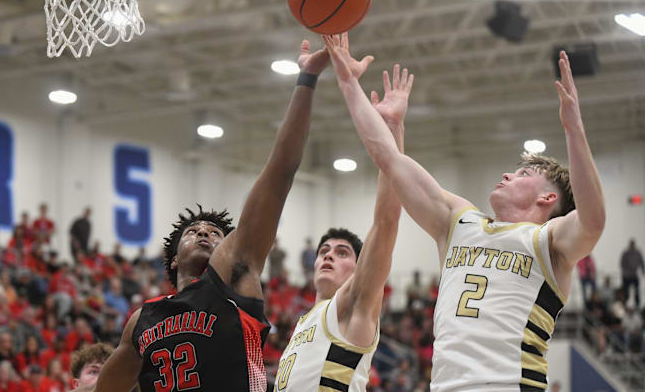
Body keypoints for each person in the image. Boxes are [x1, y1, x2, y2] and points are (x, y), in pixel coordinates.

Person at [326, 34, 606, 392]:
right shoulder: (459, 220)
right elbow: (390, 160)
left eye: (523, 174)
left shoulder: (550, 242)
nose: (508, 174)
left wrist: (574, 129)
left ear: (548, 198)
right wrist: (350, 85)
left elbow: (593, 219)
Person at [61, 38, 327, 392]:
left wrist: (306, 81)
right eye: (193, 231)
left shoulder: (234, 275)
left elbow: (280, 173)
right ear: (172, 262)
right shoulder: (142, 320)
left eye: (215, 233)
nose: (204, 234)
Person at [274, 43, 409, 392]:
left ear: (360, 266)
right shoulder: (304, 321)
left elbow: (386, 222)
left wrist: (393, 131)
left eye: (342, 252)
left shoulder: (353, 307)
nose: (328, 254)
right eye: (324, 251)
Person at [621, 239, 644, 308]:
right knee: (626, 291)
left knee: (637, 291)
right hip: (626, 276)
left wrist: (643, 270)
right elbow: (622, 263)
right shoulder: (626, 253)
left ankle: (637, 305)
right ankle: (625, 304)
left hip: (634, 275)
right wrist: (626, 270)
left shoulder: (638, 253)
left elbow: (641, 262)